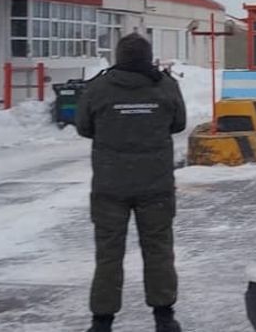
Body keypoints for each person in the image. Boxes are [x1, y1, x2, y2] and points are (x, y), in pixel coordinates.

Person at [76, 33, 186, 332]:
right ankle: (164, 316)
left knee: (108, 253)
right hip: (156, 185)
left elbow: (84, 127)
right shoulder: (165, 85)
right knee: (159, 249)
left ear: (119, 56)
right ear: (148, 57)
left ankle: (102, 320)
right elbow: (179, 124)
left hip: (110, 186)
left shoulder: (98, 87)